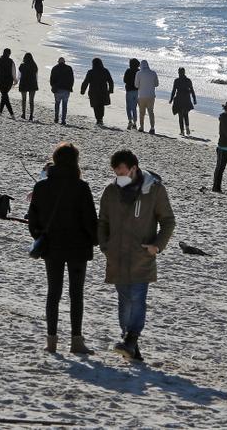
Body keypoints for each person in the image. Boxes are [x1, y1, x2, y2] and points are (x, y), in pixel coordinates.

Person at [98, 149, 175, 361]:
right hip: (117, 257)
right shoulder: (110, 191)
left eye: (122, 172)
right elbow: (102, 221)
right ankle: (130, 345)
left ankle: (131, 339)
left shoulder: (154, 190)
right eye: (116, 173)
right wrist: (105, 246)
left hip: (142, 256)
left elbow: (168, 221)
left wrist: (157, 246)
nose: (119, 177)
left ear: (134, 168)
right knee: (124, 302)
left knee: (137, 299)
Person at [29, 142, 99, 355]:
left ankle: (51, 341)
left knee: (54, 293)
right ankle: (76, 341)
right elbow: (89, 220)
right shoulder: (81, 187)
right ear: (75, 161)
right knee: (76, 294)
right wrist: (95, 240)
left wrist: (40, 237)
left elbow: (33, 220)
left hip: (52, 247)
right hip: (78, 247)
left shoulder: (42, 186)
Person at [80, 58, 114, 126]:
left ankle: (98, 119)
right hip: (103, 91)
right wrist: (110, 90)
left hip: (93, 91)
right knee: (101, 105)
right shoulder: (105, 71)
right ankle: (100, 119)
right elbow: (110, 81)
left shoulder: (91, 72)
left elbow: (86, 82)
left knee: (95, 105)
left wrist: (82, 90)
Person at [169, 68, 196, 136]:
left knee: (180, 115)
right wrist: (194, 99)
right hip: (186, 99)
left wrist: (171, 99)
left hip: (179, 99)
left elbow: (174, 91)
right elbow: (192, 90)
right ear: (184, 72)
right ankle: (187, 128)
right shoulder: (188, 80)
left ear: (179, 73)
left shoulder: (177, 80)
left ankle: (182, 131)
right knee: (186, 114)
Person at [135, 60, 159, 133]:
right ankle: (152, 128)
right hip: (151, 96)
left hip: (141, 96)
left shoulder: (138, 73)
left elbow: (136, 85)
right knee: (151, 112)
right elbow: (156, 84)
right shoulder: (153, 73)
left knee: (142, 112)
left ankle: (141, 127)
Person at [49, 57, 74, 125]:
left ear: (58, 62)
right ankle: (63, 120)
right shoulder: (69, 68)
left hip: (57, 89)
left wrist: (53, 86)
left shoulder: (55, 68)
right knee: (64, 105)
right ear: (64, 62)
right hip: (66, 89)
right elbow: (72, 79)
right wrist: (70, 87)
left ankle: (56, 118)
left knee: (57, 104)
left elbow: (51, 80)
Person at [0, 48, 18, 118]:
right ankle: (11, 113)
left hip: (0, 80)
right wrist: (15, 80)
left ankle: (0, 112)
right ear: (9, 54)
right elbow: (13, 71)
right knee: (5, 96)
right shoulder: (11, 61)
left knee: (4, 95)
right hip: (9, 81)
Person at [18, 52, 39, 121]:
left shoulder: (22, 65)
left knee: (23, 99)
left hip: (23, 83)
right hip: (32, 84)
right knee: (31, 100)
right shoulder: (34, 66)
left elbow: (19, 76)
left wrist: (16, 82)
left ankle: (23, 114)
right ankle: (31, 115)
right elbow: (36, 76)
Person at [122, 59, 141, 130]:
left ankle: (130, 121)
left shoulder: (128, 70)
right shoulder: (139, 71)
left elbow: (124, 80)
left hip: (129, 90)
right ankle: (135, 123)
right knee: (134, 107)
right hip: (137, 91)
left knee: (128, 107)